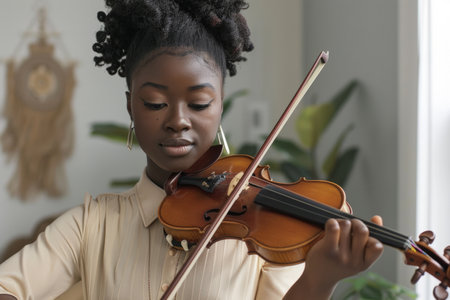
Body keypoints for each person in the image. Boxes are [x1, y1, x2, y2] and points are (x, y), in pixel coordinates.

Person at [0, 0, 384, 299]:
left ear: (219, 105)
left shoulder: (262, 230)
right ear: (130, 105)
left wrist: (319, 281)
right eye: (154, 103)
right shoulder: (91, 226)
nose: (178, 121)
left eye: (199, 104)